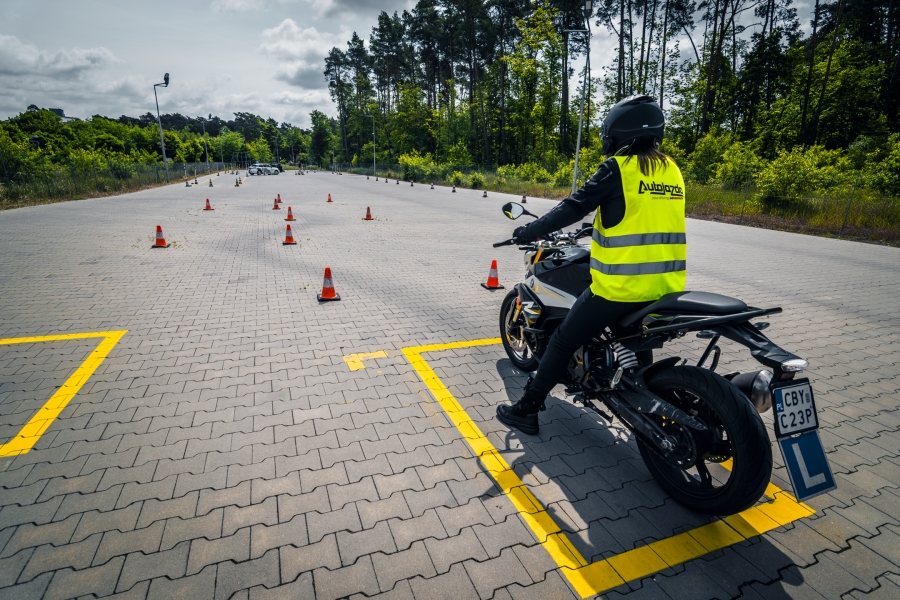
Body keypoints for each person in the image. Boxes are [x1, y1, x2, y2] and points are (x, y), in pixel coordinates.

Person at [496, 94, 687, 435]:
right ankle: (642, 395)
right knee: (634, 339)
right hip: (666, 287)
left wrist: (529, 230)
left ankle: (527, 410)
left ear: (618, 132)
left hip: (620, 288)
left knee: (562, 341)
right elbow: (640, 215)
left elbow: (573, 207)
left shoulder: (619, 167)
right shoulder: (671, 169)